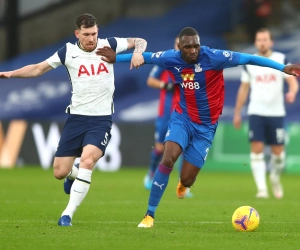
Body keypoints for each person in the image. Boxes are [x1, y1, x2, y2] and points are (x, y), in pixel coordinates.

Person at [96, 27, 300, 228]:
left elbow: (249, 59)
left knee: (187, 178)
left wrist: (283, 68)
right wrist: (117, 58)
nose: (193, 50)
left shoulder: (214, 57)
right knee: (168, 157)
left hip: (206, 127)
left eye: (196, 46)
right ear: (179, 48)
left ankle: (183, 185)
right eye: (188, 47)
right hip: (182, 117)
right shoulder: (170, 58)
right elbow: (147, 56)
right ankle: (149, 214)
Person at [0, 13, 147, 226]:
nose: (91, 39)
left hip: (101, 119)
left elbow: (140, 41)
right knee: (60, 172)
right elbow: (39, 68)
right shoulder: (67, 52)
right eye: (86, 34)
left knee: (88, 160)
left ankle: (67, 215)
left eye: (94, 33)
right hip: (76, 119)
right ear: (77, 33)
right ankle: (73, 175)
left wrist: (138, 53)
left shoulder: (109, 45)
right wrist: (11, 74)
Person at [233, 28, 299, 199]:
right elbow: (243, 89)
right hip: (256, 111)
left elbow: (292, 82)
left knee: (278, 155)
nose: (262, 42)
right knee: (256, 150)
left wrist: (292, 92)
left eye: (265, 39)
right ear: (256, 43)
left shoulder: (280, 59)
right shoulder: (250, 62)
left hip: (276, 112)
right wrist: (238, 112)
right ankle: (261, 189)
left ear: (271, 42)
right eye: (259, 39)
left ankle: (275, 178)